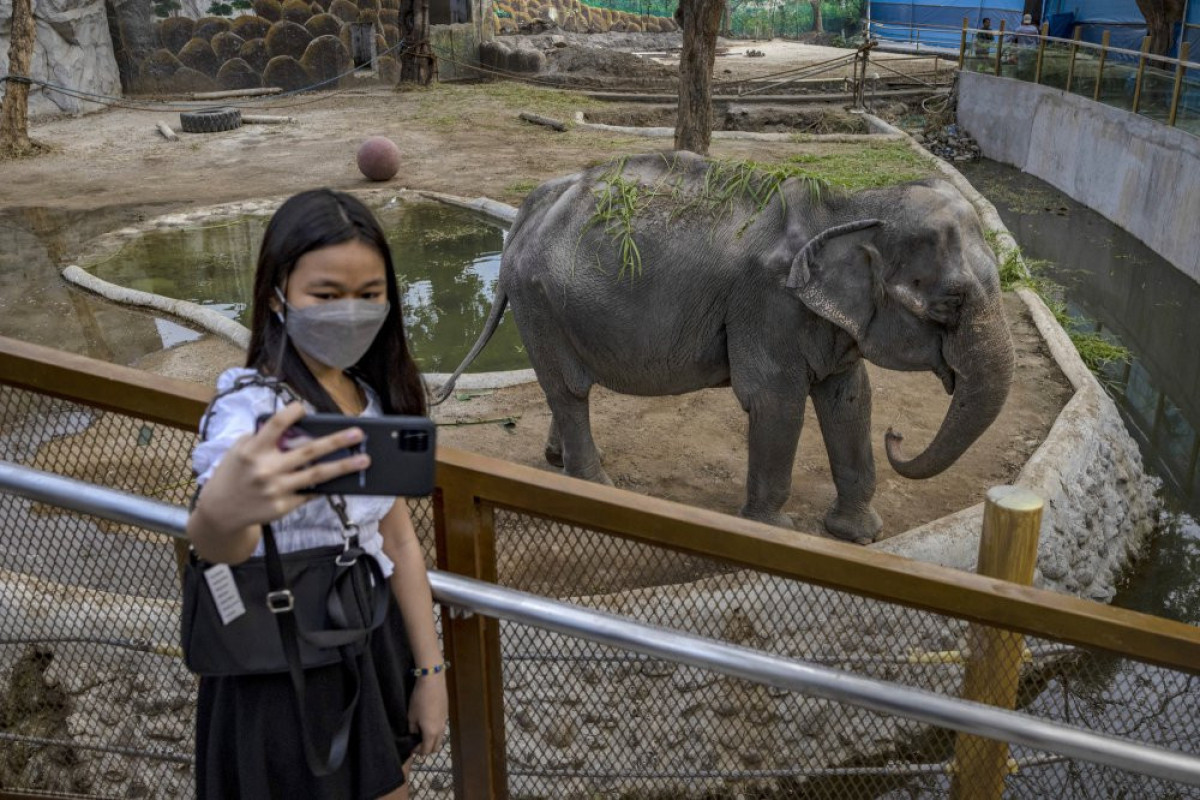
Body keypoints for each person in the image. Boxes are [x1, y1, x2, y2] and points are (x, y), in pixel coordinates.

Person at [187, 188, 448, 799]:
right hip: (277, 664)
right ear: (278, 293)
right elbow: (217, 537)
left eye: (368, 295)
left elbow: (400, 541)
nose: (349, 312)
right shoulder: (247, 409)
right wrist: (224, 511)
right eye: (326, 296)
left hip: (369, 637)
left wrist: (430, 672)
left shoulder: (370, 398)